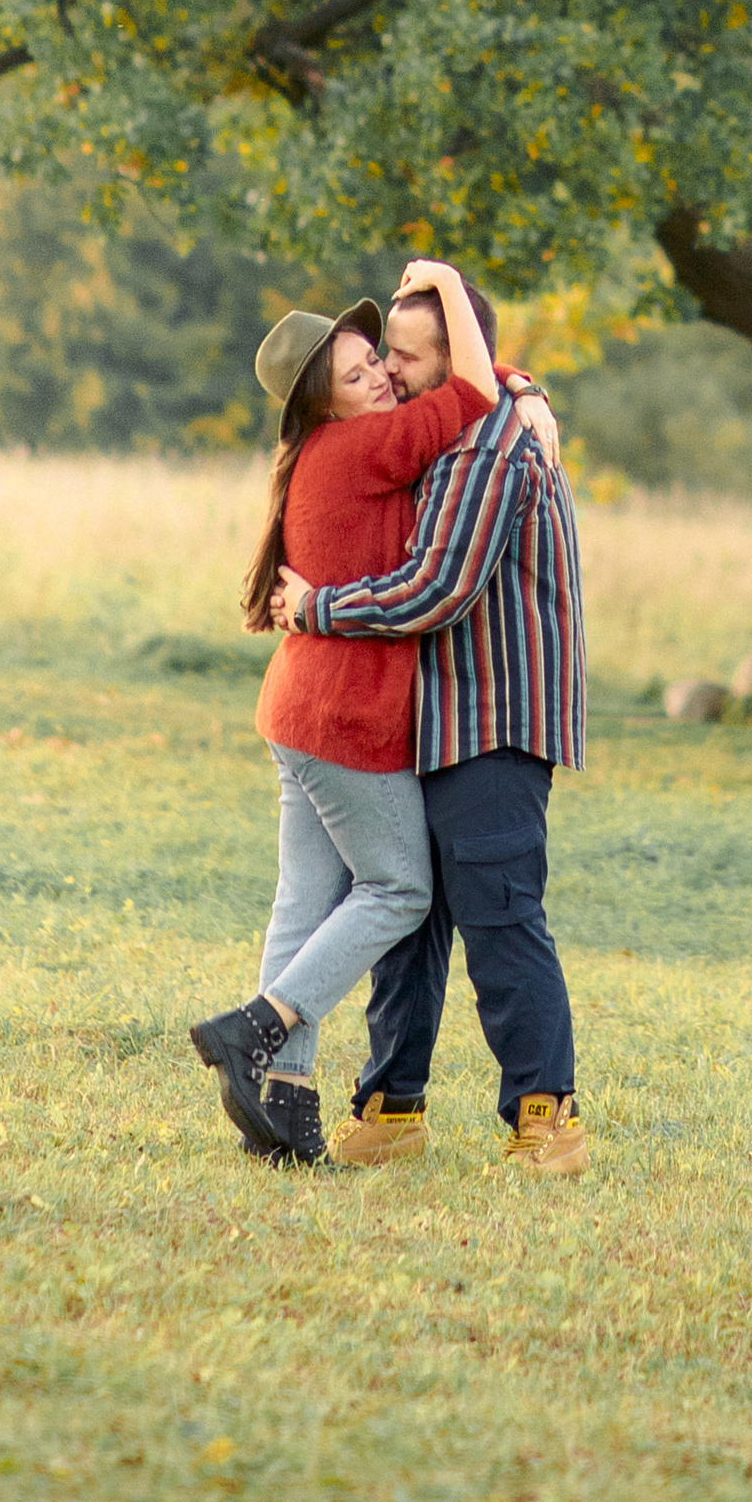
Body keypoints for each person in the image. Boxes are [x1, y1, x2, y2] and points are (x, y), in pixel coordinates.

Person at [270, 260, 588, 1176]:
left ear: (464, 360)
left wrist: (318, 607)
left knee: (497, 912)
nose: (392, 375)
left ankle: (547, 1119)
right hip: (436, 715)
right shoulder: (446, 431)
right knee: (410, 919)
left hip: (495, 714)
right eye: (385, 359)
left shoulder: (493, 442)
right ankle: (389, 1109)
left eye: (407, 359)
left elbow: (438, 589)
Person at [188, 270, 500, 1167]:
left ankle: (279, 1103)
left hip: (298, 709)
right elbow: (473, 391)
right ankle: (263, 1024)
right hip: (341, 718)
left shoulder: (327, 453)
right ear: (320, 398)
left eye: (380, 364)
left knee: (306, 900)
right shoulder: (361, 448)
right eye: (361, 371)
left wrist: (529, 389)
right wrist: (442, 280)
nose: (382, 380)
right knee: (400, 889)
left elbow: (479, 381)